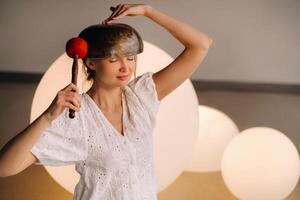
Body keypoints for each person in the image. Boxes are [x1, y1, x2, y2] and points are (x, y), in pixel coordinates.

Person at [0, 3, 213, 200]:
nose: (125, 68)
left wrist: (148, 11)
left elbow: (200, 45)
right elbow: (5, 167)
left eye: (130, 58)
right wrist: (47, 117)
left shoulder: (142, 96)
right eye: (113, 60)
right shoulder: (76, 115)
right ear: (91, 62)